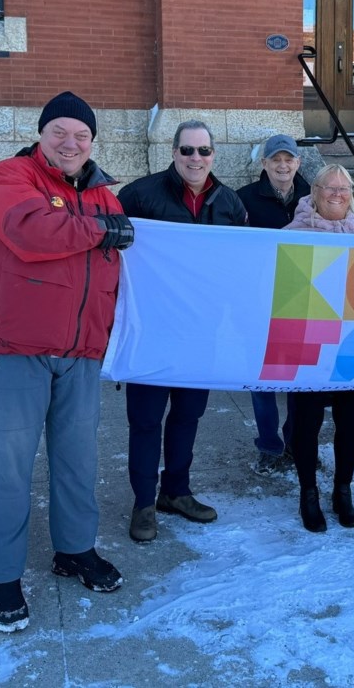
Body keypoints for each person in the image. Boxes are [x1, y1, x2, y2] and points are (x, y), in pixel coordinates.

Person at [0, 91, 134, 632]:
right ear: (42, 135)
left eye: (81, 135)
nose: (71, 143)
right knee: (7, 471)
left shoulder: (106, 197)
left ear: (92, 142)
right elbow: (29, 231)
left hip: (81, 354)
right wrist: (99, 231)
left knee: (76, 464)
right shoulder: (10, 176)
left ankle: (74, 550)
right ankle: (2, 576)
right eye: (60, 132)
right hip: (14, 351)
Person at [117, 120, 248, 543]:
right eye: (188, 150)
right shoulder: (139, 196)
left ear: (214, 154)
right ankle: (143, 503)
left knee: (188, 416)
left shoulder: (229, 204)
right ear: (174, 152)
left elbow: (239, 266)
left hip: (201, 333)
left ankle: (176, 490)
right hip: (151, 330)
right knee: (146, 421)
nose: (196, 158)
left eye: (204, 150)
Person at [284, 164, 354, 532]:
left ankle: (343, 489)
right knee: (306, 422)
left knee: (350, 421)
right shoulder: (295, 232)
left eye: (344, 188)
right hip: (308, 337)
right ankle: (308, 491)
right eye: (329, 187)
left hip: (353, 339)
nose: (337, 194)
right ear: (315, 190)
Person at [236, 134, 310, 476]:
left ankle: (296, 439)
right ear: (264, 163)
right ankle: (269, 445)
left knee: (299, 379)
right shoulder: (244, 199)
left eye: (289, 159)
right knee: (262, 378)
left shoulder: (315, 197)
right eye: (275, 159)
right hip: (258, 300)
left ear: (298, 163)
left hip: (303, 299)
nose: (283, 165)